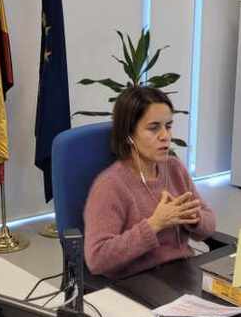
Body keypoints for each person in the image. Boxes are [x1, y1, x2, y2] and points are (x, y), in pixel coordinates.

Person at [83, 86, 216, 279]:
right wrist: (154, 224)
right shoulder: (110, 186)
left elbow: (209, 224)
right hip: (136, 281)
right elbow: (97, 259)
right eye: (154, 128)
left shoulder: (174, 168)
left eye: (168, 126)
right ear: (129, 134)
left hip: (182, 272)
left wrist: (195, 218)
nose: (165, 136)